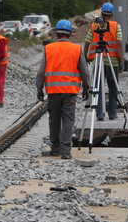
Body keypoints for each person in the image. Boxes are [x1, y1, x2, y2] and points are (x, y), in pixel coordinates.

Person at [36, 19, 90, 160]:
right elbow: (85, 71)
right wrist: (86, 87)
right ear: (70, 34)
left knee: (54, 119)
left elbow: (41, 72)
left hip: (53, 91)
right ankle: (65, 151)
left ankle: (55, 148)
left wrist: (39, 88)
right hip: (70, 91)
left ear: (56, 33)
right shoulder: (77, 49)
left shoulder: (49, 48)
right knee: (68, 119)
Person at [82, 2, 125, 120]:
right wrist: (122, 60)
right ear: (112, 14)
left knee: (98, 88)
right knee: (113, 87)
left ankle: (100, 114)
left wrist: (85, 57)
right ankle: (112, 113)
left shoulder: (94, 25)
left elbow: (87, 42)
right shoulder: (116, 26)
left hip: (98, 60)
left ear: (101, 13)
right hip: (113, 61)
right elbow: (120, 43)